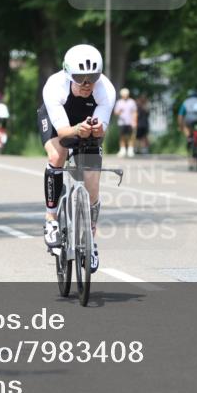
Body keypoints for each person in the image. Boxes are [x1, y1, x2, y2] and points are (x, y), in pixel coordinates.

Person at [37, 44, 116, 273]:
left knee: (92, 183)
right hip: (59, 122)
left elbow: (100, 131)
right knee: (57, 155)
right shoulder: (55, 86)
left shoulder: (106, 90)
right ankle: (51, 220)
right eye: (80, 78)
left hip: (86, 122)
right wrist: (77, 129)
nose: (86, 84)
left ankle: (90, 239)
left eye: (92, 77)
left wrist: (97, 130)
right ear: (68, 75)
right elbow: (63, 132)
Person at [177, 88, 197, 169]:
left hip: (190, 118)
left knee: (186, 126)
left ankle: (189, 137)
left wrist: (180, 126)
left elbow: (180, 116)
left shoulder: (186, 102)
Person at [113, 87, 137, 158]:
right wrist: (119, 112)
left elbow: (134, 112)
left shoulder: (132, 102)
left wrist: (135, 121)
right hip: (122, 122)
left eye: (126, 94)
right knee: (122, 136)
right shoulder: (119, 102)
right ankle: (122, 150)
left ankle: (130, 150)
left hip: (130, 122)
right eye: (124, 94)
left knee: (131, 136)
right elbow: (115, 113)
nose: (125, 95)